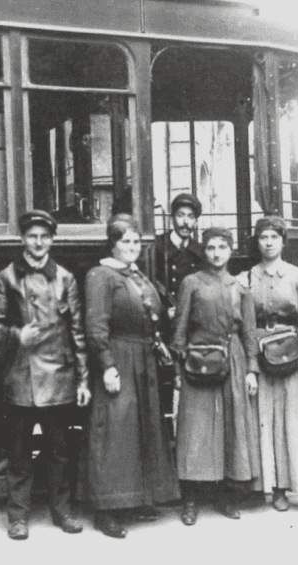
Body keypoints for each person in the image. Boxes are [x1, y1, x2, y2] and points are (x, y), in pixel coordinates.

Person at [0, 210, 91, 541]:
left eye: (44, 236)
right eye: (32, 236)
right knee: (18, 453)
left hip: (58, 376)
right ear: (22, 239)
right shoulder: (6, 278)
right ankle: (17, 517)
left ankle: (62, 511)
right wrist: (17, 335)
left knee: (59, 451)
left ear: (52, 240)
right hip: (21, 376)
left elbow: (77, 332)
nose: (38, 242)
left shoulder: (65, 278)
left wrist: (83, 379)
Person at [83, 214, 180, 539]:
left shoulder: (136, 274)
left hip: (143, 360)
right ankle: (106, 510)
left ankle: (136, 499)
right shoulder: (101, 275)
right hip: (119, 358)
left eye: (136, 241)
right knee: (115, 431)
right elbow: (96, 325)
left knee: (140, 430)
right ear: (112, 244)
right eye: (125, 241)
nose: (132, 246)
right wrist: (107, 365)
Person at [171, 227, 260, 525]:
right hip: (199, 360)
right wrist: (178, 370)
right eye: (211, 247)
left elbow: (249, 332)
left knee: (231, 425)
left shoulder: (240, 287)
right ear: (204, 251)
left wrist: (251, 370)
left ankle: (225, 495)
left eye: (222, 247)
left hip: (233, 358)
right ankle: (191, 499)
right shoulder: (191, 283)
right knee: (195, 428)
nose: (216, 253)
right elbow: (179, 329)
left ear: (230, 250)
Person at [243, 216, 298, 511]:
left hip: (292, 355)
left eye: (274, 237)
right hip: (260, 353)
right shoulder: (246, 277)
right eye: (263, 237)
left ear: (283, 241)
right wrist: (250, 364)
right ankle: (262, 485)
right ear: (257, 242)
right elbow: (243, 324)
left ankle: (283, 489)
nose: (268, 243)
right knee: (262, 418)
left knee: (291, 421)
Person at [155, 192, 204, 315]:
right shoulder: (157, 246)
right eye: (180, 216)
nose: (186, 222)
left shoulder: (200, 251)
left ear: (196, 222)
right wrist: (164, 311)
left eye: (191, 217)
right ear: (172, 219)